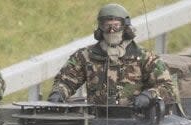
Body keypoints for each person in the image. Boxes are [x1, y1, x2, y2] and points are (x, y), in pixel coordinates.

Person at [48, 3, 176, 110]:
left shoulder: (144, 57)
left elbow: (168, 87)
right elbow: (65, 81)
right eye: (106, 26)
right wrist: (58, 93)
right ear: (100, 28)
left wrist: (148, 96)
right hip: (96, 120)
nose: (111, 30)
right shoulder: (85, 56)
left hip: (136, 120)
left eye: (116, 25)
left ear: (125, 27)